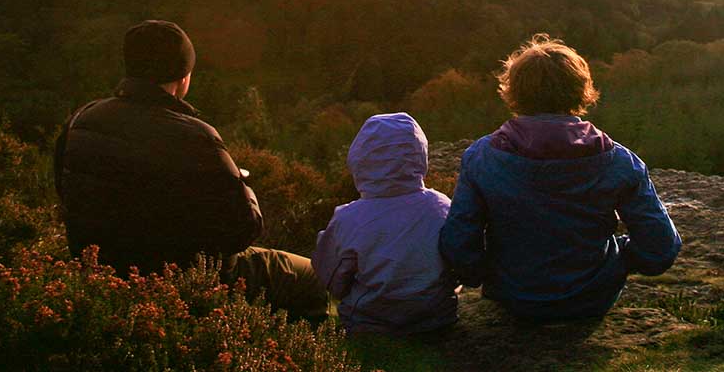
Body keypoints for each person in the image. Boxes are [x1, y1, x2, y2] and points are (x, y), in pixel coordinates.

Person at [53, 20, 327, 319]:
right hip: (185, 278)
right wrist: (242, 184)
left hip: (101, 271)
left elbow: (65, 193)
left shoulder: (81, 121)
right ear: (183, 76)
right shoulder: (196, 136)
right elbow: (243, 229)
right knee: (311, 276)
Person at [439, 33, 681, 321]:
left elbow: (459, 242)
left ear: (513, 92)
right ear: (581, 91)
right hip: (592, 300)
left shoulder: (482, 157)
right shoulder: (620, 161)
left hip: (512, 297)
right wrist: (620, 259)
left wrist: (482, 273)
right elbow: (661, 249)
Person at [313, 113, 458, 334]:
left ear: (359, 159)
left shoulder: (348, 218)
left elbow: (332, 280)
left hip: (369, 321)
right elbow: (458, 261)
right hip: (437, 317)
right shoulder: (442, 206)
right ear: (420, 154)